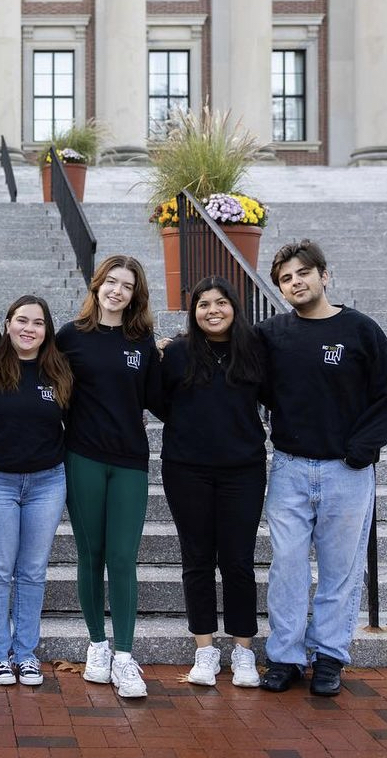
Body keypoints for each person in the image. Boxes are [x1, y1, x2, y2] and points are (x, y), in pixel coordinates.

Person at [257, 240, 387, 696]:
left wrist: (361, 450)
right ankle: (285, 657)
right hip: (289, 468)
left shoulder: (360, 329)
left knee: (341, 568)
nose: (295, 282)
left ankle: (329, 657)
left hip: (347, 472)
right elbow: (230, 359)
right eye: (285, 278)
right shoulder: (273, 333)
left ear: (325, 275)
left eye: (303, 273)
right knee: (287, 566)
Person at [55, 254, 162, 699]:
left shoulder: (143, 341)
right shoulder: (69, 337)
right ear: (97, 285)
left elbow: (160, 398)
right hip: (83, 457)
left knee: (122, 557)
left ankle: (123, 654)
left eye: (127, 285)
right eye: (111, 282)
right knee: (90, 552)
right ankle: (96, 644)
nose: (117, 290)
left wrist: (172, 356)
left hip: (130, 461)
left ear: (135, 294)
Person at [154, 277, 268, 689]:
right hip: (187, 469)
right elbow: (158, 400)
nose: (213, 310)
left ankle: (243, 651)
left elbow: (275, 395)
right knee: (197, 560)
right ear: (194, 311)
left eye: (221, 303)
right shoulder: (178, 353)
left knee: (237, 561)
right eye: (204, 304)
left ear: (234, 308)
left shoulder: (253, 351)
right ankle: (204, 650)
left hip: (244, 470)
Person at [0, 295, 73, 687]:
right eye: (22, 321)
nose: (29, 329)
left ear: (47, 330)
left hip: (47, 481)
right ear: (7, 323)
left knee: (32, 571)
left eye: (38, 323)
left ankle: (26, 653)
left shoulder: (59, 369)